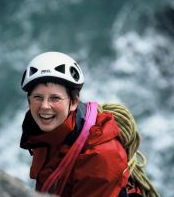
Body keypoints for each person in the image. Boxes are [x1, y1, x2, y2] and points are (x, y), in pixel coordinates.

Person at [20, 52, 160, 197]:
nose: (44, 106)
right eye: (37, 97)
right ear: (29, 101)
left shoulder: (100, 155)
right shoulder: (46, 133)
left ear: (74, 102)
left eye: (55, 98)